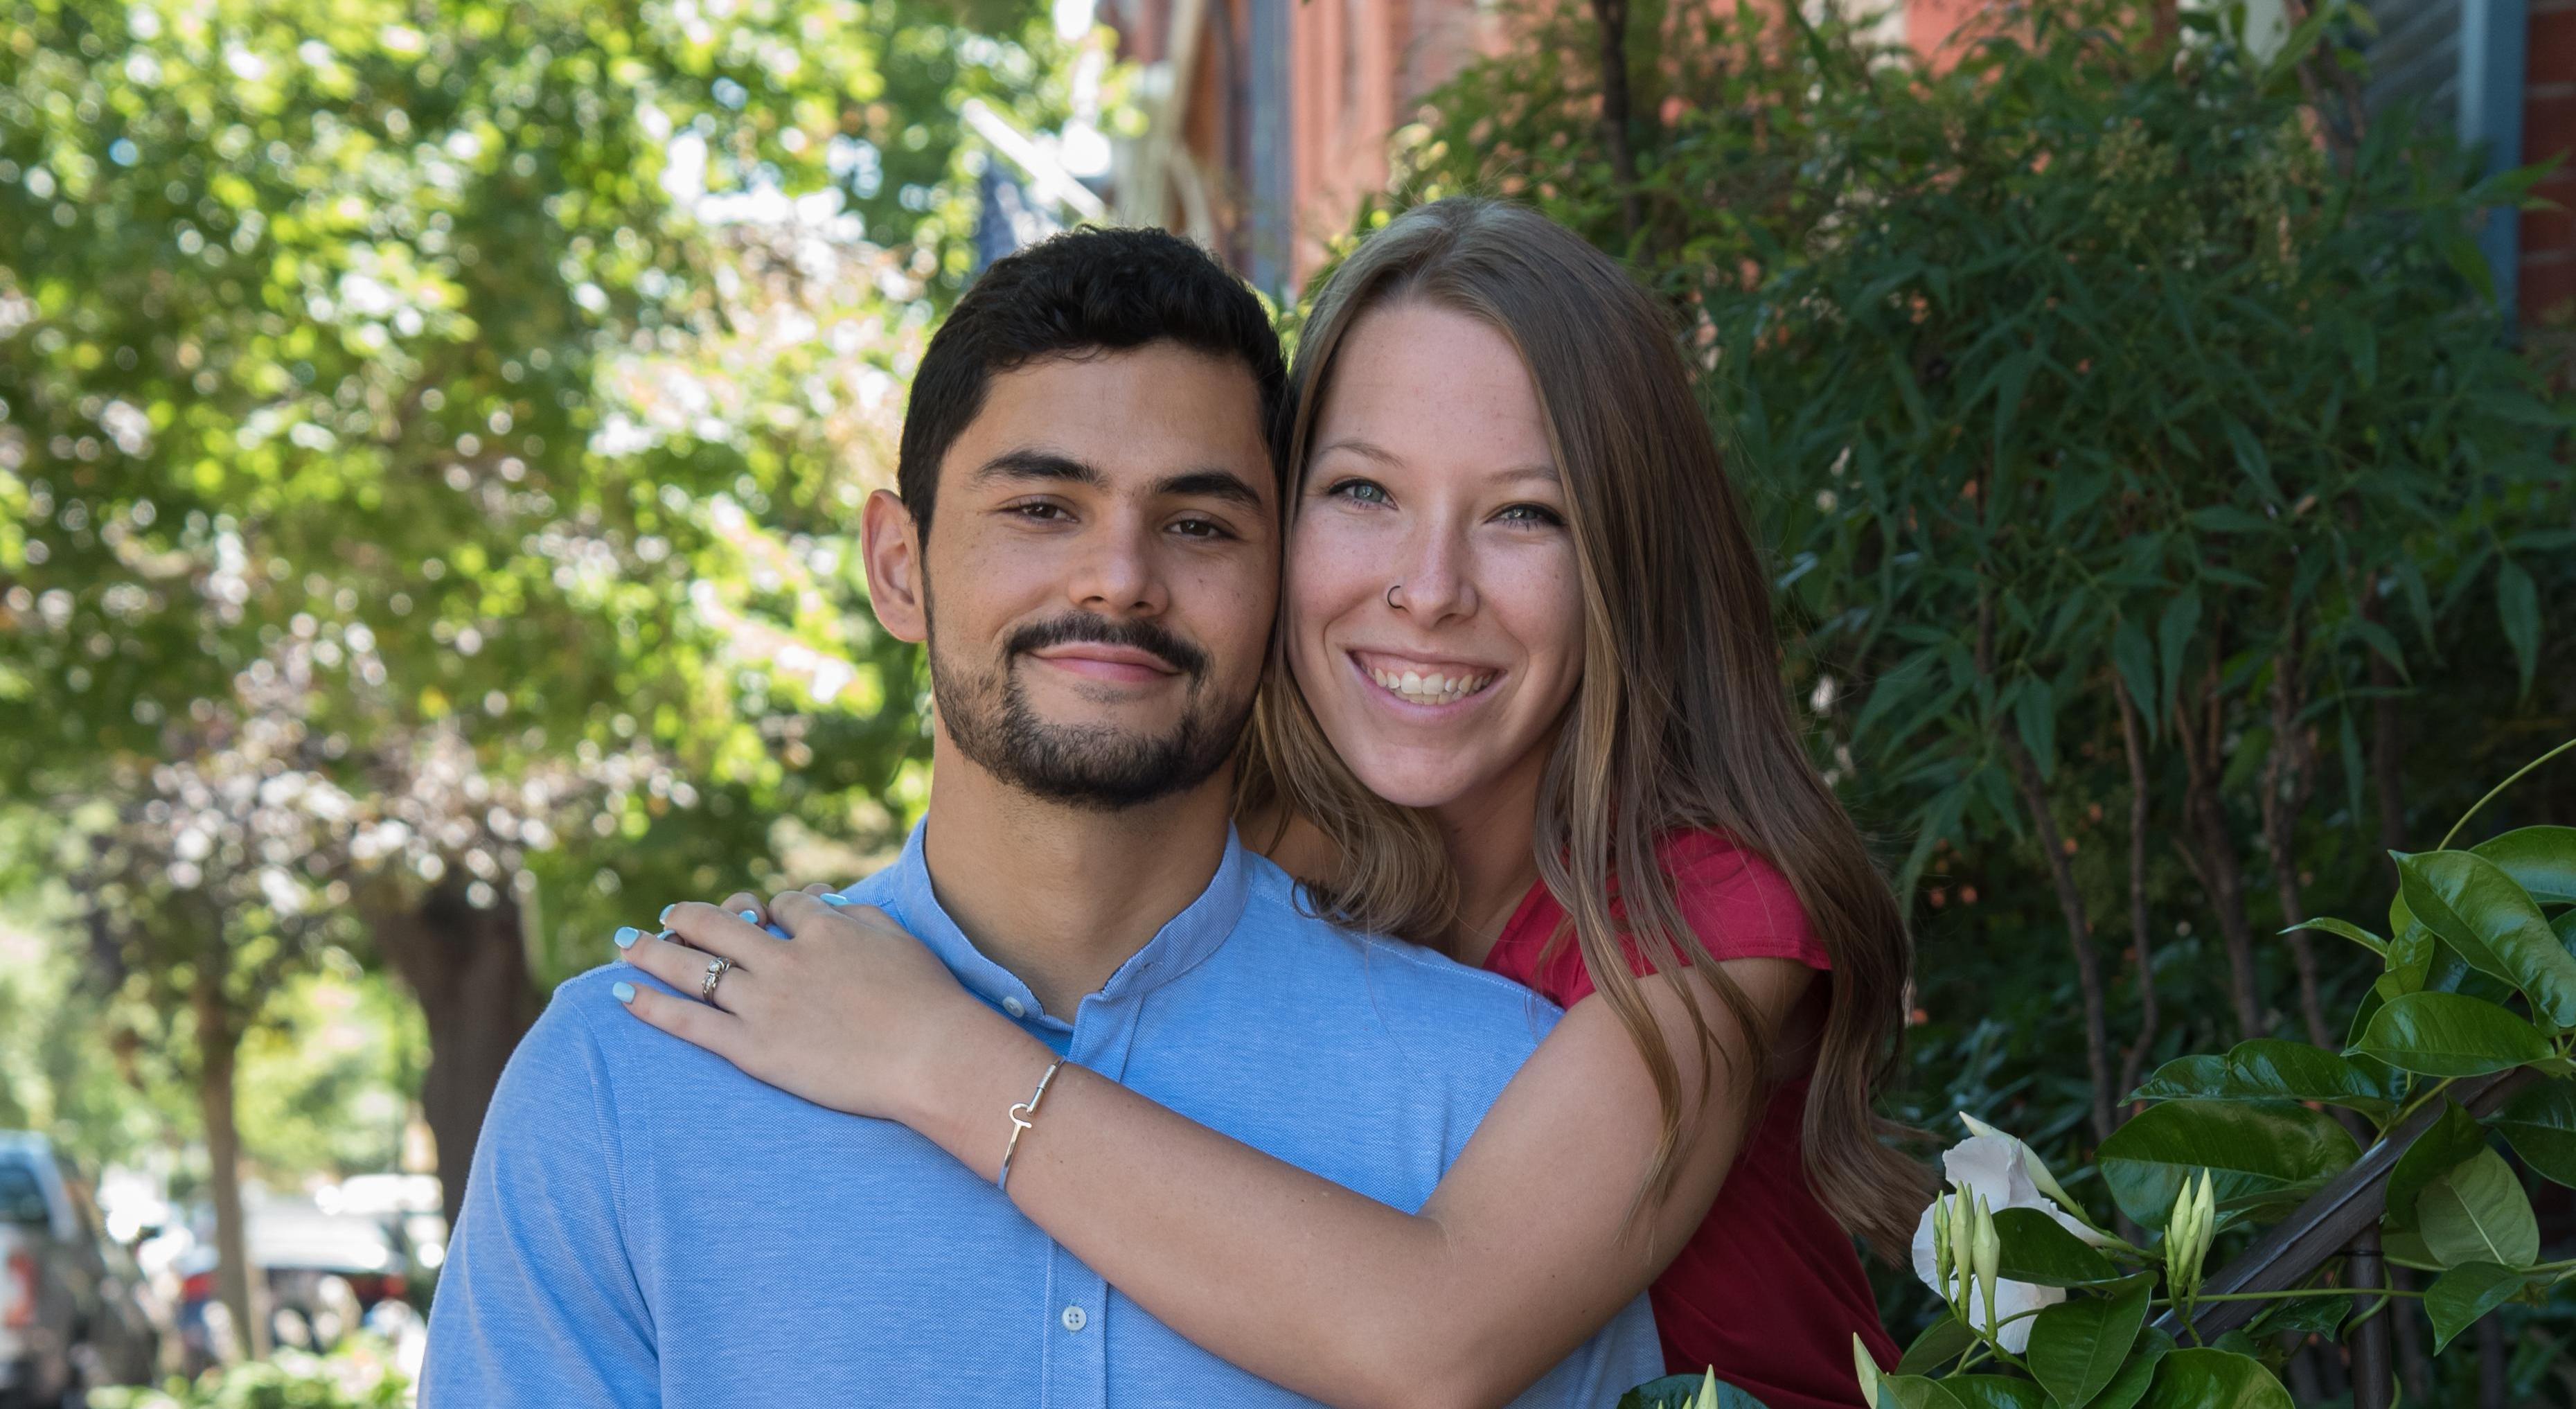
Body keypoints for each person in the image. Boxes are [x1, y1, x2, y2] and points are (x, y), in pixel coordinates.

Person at [616, 198, 1929, 1409]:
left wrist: (930, 1051)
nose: (1429, 588)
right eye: (1364, 491)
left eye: (1526, 514)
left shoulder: (1712, 915)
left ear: (1625, 564)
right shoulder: (1258, 852)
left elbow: (1439, 1337)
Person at [417, 224, 1664, 1408]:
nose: (1119, 576)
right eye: (1041, 508)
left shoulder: (1493, 1100)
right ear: (898, 567)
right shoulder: (626, 1079)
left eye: (1198, 524)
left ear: (1280, 579)